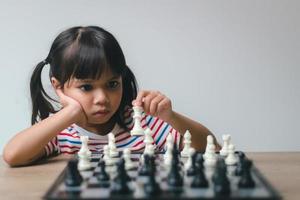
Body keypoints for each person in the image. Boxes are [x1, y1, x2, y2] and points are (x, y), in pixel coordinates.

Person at [3, 26, 220, 167]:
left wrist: (171, 116)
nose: (102, 98)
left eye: (112, 84)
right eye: (86, 87)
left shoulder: (143, 125)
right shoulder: (61, 132)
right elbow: (12, 155)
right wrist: (70, 113)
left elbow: (212, 148)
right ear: (58, 86)